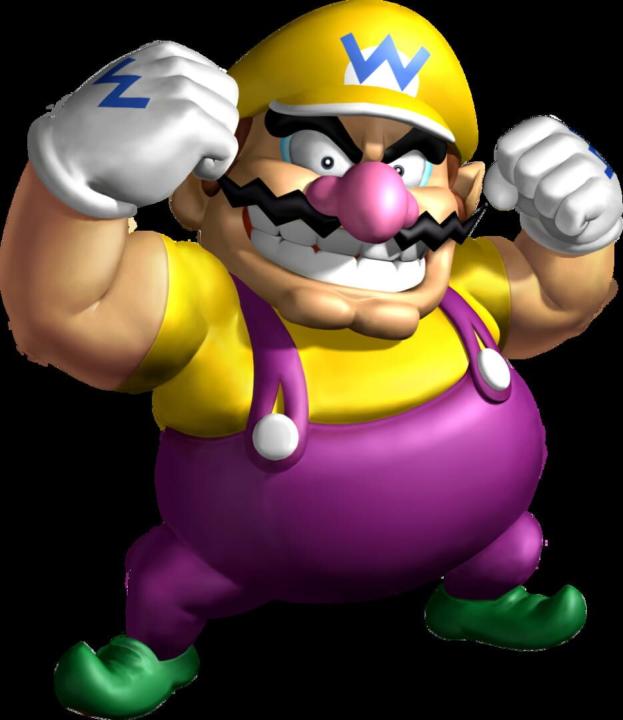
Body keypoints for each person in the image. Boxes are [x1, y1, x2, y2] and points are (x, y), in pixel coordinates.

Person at [0, 1, 619, 718]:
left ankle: (480, 598)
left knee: (511, 546)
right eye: (317, 155)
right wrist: (77, 185)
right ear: (204, 185)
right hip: (245, 560)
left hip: (478, 531)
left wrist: (579, 231)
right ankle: (157, 652)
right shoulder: (207, 303)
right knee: (175, 585)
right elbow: (69, 312)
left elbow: (560, 296)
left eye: (412, 166)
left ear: (463, 195)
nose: (376, 207)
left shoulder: (470, 287)